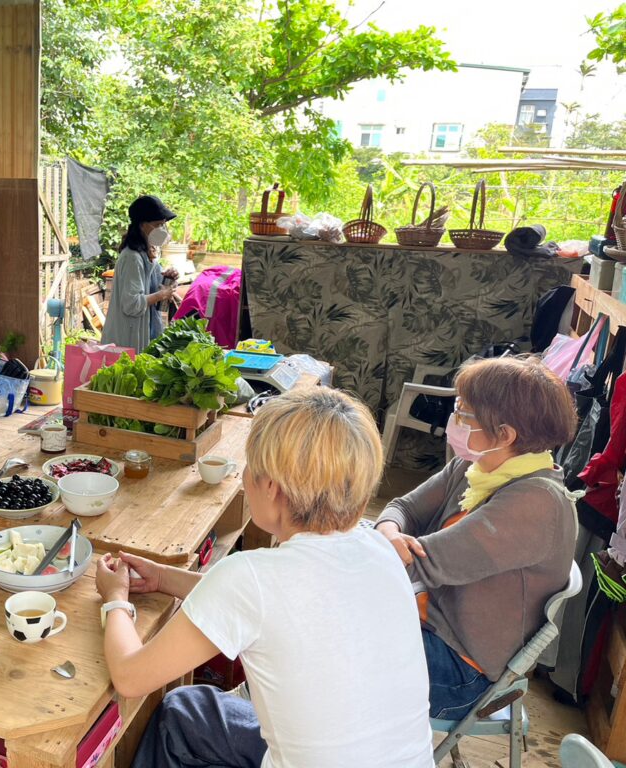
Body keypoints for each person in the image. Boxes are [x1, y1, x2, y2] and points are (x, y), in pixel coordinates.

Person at [95, 388, 434, 768]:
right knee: (187, 710)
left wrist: (116, 599)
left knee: (180, 711)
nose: (244, 481)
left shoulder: (250, 579)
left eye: (249, 471)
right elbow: (271, 606)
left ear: (271, 487)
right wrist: (163, 578)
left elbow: (129, 677)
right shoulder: (379, 547)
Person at [375, 355, 578, 721]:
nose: (454, 422)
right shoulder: (475, 466)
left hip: (461, 671)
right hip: (424, 620)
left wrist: (379, 545)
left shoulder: (536, 503)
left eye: (464, 415)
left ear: (505, 434)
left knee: (322, 653)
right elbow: (402, 507)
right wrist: (388, 532)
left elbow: (424, 563)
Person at [100, 195, 179, 352]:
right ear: (143, 225)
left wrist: (168, 279)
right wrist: (161, 295)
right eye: (158, 225)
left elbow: (154, 295)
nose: (162, 230)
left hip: (142, 331)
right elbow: (132, 304)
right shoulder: (133, 258)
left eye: (164, 225)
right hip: (127, 337)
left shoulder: (147, 255)